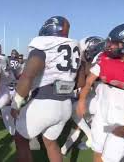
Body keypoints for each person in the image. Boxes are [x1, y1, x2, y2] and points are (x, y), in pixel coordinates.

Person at [77, 24, 124, 162]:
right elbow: (89, 82)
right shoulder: (105, 58)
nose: (109, 46)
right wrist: (82, 101)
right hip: (102, 112)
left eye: (115, 43)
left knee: (109, 159)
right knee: (98, 151)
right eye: (110, 42)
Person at [11, 16, 80, 162]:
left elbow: (27, 76)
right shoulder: (75, 48)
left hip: (44, 103)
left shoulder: (44, 44)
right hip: (65, 104)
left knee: (21, 139)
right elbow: (80, 82)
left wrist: (15, 103)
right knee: (50, 142)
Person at [61, 36, 106, 154]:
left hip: (106, 103)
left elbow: (85, 80)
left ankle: (91, 137)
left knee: (74, 109)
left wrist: (61, 88)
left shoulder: (98, 61)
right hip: (113, 101)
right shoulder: (108, 57)